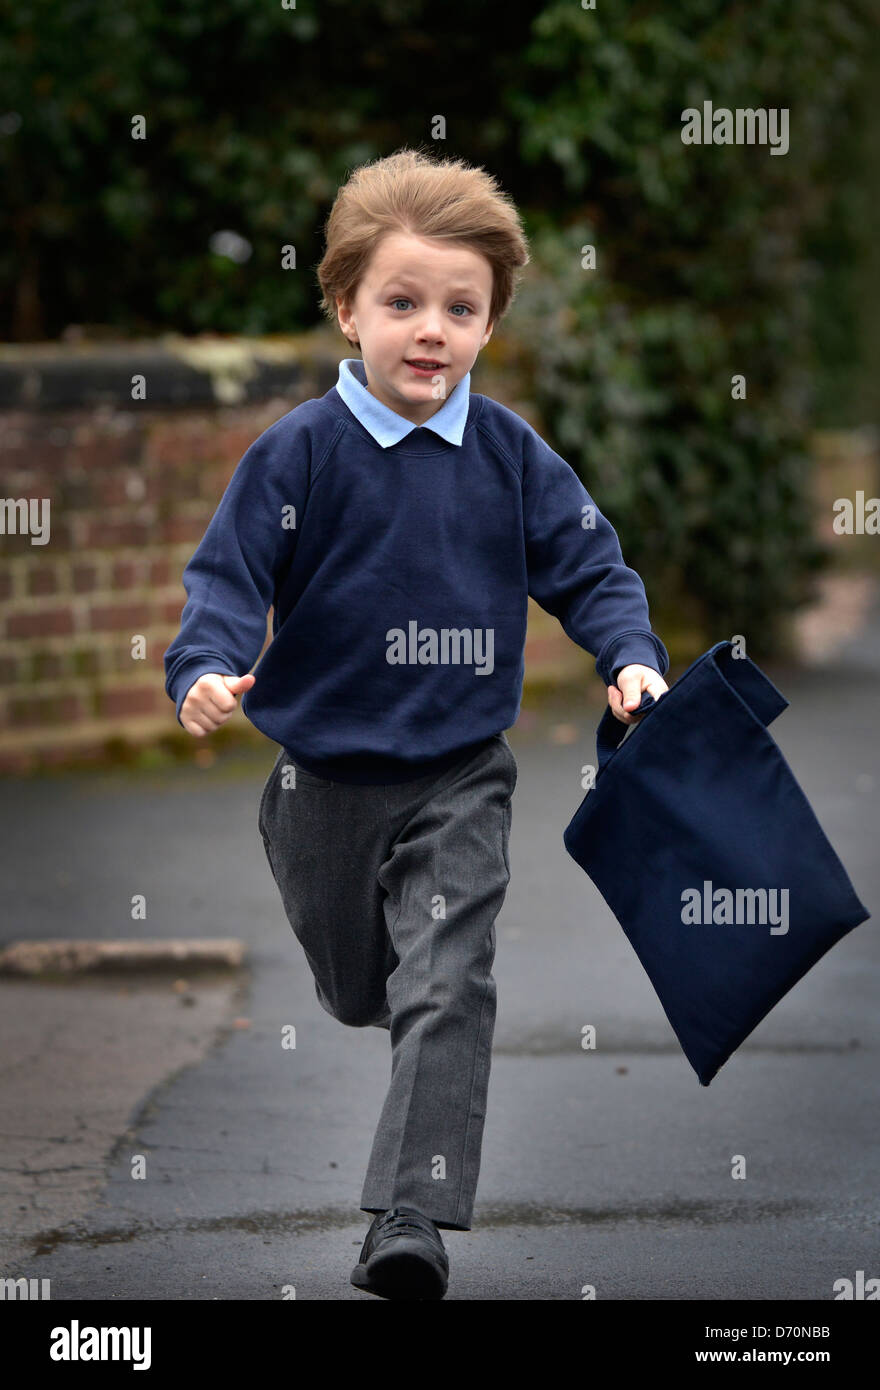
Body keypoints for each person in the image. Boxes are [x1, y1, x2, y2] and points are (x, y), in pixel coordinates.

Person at [163, 146, 670, 1300]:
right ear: (347, 306)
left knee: (449, 980)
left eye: (460, 307)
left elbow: (594, 568)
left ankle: (409, 1220)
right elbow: (229, 579)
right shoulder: (297, 452)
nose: (430, 330)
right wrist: (200, 665)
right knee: (359, 989)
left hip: (458, 774)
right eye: (402, 302)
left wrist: (631, 658)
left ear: (489, 324)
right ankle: (402, 1011)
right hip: (320, 785)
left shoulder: (509, 456)